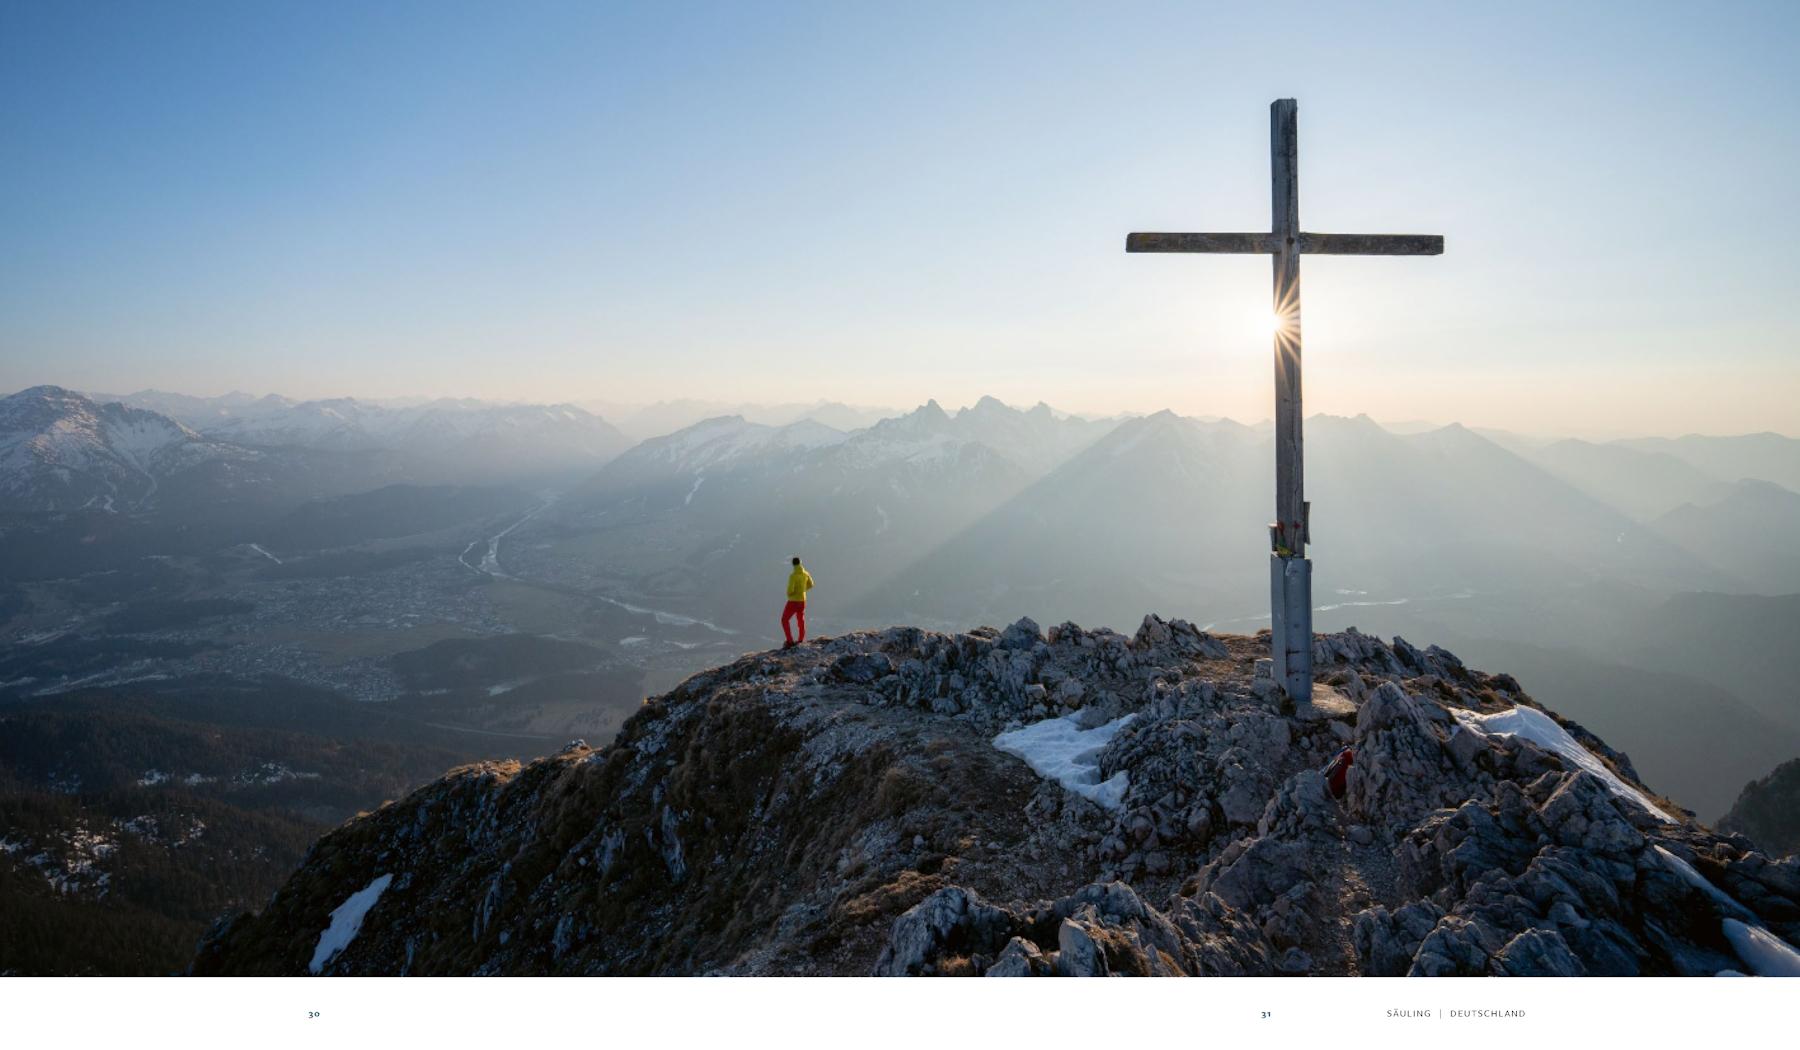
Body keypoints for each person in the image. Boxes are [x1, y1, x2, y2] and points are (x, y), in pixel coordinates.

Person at [781, 556, 814, 649]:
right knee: (800, 619)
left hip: (793, 601)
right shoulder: (806, 574)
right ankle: (801, 639)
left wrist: (789, 594)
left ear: (793, 564)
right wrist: (803, 590)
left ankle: (790, 641)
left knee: (784, 620)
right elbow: (811, 584)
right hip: (803, 600)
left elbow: (790, 590)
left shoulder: (793, 576)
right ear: (800, 563)